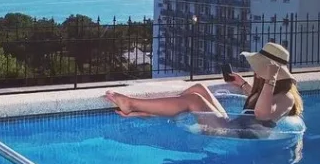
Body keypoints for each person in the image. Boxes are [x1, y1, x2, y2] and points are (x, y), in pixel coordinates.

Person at [105, 42, 303, 131]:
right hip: (233, 125)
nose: (257, 70)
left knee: (195, 100)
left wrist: (270, 79)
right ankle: (153, 112)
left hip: (236, 135)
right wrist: (242, 83)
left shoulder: (287, 97)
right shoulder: (267, 89)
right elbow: (256, 102)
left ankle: (131, 104)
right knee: (198, 88)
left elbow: (261, 114)